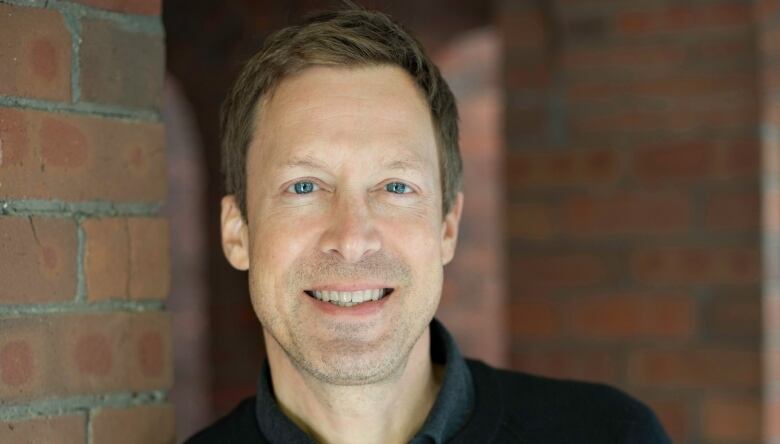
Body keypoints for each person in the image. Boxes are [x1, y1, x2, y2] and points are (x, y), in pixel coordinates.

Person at [186, 5, 671, 444]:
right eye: (304, 187)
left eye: (396, 187)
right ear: (237, 232)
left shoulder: (609, 436)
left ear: (447, 228)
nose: (352, 239)